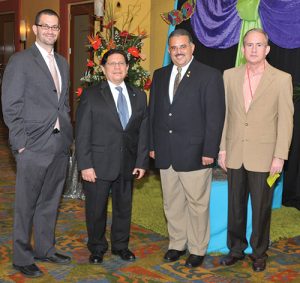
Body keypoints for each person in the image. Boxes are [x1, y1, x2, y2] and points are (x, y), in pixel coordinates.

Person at [1, 9, 73, 278]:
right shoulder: (20, 61)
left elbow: (62, 103)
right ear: (35, 29)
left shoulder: (63, 63)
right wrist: (20, 144)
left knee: (50, 201)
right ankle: (21, 256)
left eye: (55, 27)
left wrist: (67, 134)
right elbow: (10, 105)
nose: (51, 31)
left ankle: (45, 249)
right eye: (46, 26)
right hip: (31, 145)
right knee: (26, 205)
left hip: (58, 144)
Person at [218, 28, 294, 272]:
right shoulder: (229, 76)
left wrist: (279, 156)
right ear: (243, 48)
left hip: (265, 156)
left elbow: (286, 121)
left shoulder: (282, 79)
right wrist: (222, 150)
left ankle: (259, 252)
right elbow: (225, 116)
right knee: (235, 206)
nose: (253, 49)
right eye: (249, 44)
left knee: (261, 208)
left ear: (267, 49)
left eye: (259, 45)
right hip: (235, 152)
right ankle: (236, 249)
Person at [149, 29, 225, 268]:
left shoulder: (209, 75)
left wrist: (209, 151)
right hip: (166, 151)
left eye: (183, 46)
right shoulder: (160, 75)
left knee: (197, 204)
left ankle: (197, 248)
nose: (178, 51)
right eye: (173, 48)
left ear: (192, 48)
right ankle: (177, 244)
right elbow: (154, 114)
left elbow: (215, 117)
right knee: (171, 203)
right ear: (169, 51)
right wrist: (152, 145)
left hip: (195, 152)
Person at [75, 49, 148, 264]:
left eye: (121, 63)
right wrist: (85, 164)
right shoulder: (91, 94)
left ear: (127, 68)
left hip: (127, 163)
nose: (117, 67)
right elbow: (82, 132)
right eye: (112, 63)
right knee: (96, 209)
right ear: (103, 68)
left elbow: (143, 132)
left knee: (123, 208)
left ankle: (120, 246)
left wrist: (141, 162)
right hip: (97, 164)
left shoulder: (139, 95)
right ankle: (97, 247)